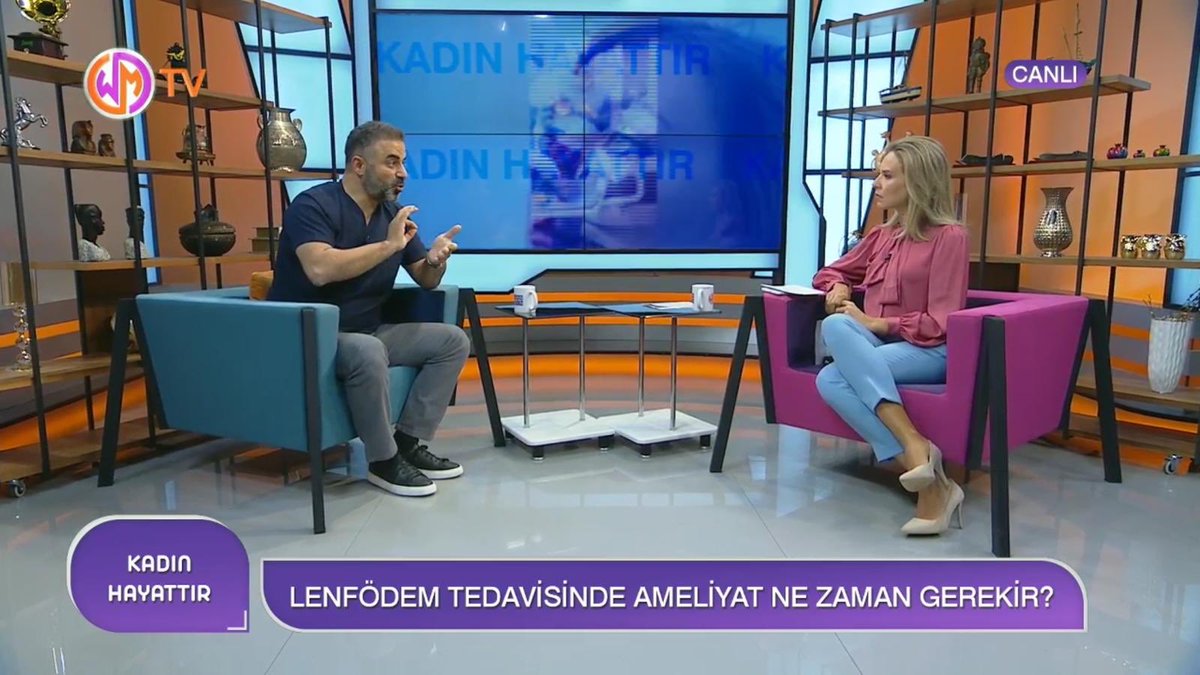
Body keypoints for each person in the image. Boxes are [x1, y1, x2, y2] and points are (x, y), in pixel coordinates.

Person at [268, 120, 470, 498]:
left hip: (367, 330)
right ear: (359, 165)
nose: (403, 173)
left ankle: (408, 442)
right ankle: (382, 460)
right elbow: (320, 269)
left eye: (403, 163)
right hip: (310, 335)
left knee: (452, 341)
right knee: (367, 348)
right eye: (392, 162)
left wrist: (436, 260)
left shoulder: (392, 215)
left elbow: (425, 279)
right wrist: (388, 247)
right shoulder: (312, 205)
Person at [810, 135, 970, 536]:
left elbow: (941, 322)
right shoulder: (882, 235)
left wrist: (877, 325)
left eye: (887, 176)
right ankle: (925, 471)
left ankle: (918, 457)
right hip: (882, 349)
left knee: (832, 376)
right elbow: (832, 270)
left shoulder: (949, 237)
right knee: (835, 326)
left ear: (917, 182)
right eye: (878, 175)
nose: (877, 184)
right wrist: (839, 285)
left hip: (929, 350)